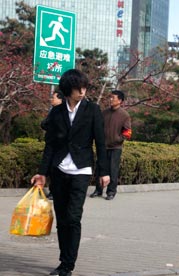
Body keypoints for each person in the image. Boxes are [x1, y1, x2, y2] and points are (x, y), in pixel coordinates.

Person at [30, 69, 110, 276]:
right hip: (59, 170)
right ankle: (63, 260)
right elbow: (50, 145)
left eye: (84, 87)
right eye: (78, 88)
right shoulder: (56, 112)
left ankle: (68, 265)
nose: (82, 91)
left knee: (73, 217)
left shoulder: (93, 110)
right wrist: (42, 173)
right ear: (68, 89)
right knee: (62, 219)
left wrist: (104, 171)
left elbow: (100, 143)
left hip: (81, 169)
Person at [90, 90, 132, 200]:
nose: (111, 99)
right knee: (100, 168)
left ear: (120, 100)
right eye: (110, 97)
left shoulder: (124, 115)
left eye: (113, 97)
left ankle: (111, 191)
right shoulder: (104, 113)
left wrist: (118, 139)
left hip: (115, 147)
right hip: (103, 147)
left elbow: (127, 132)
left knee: (113, 170)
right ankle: (98, 190)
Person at [41, 90, 64, 200]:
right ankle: (52, 190)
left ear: (60, 99)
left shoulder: (62, 112)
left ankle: (54, 191)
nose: (51, 99)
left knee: (55, 169)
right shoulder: (54, 110)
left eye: (53, 98)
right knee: (49, 167)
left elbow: (49, 125)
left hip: (57, 145)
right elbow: (45, 124)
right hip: (50, 142)